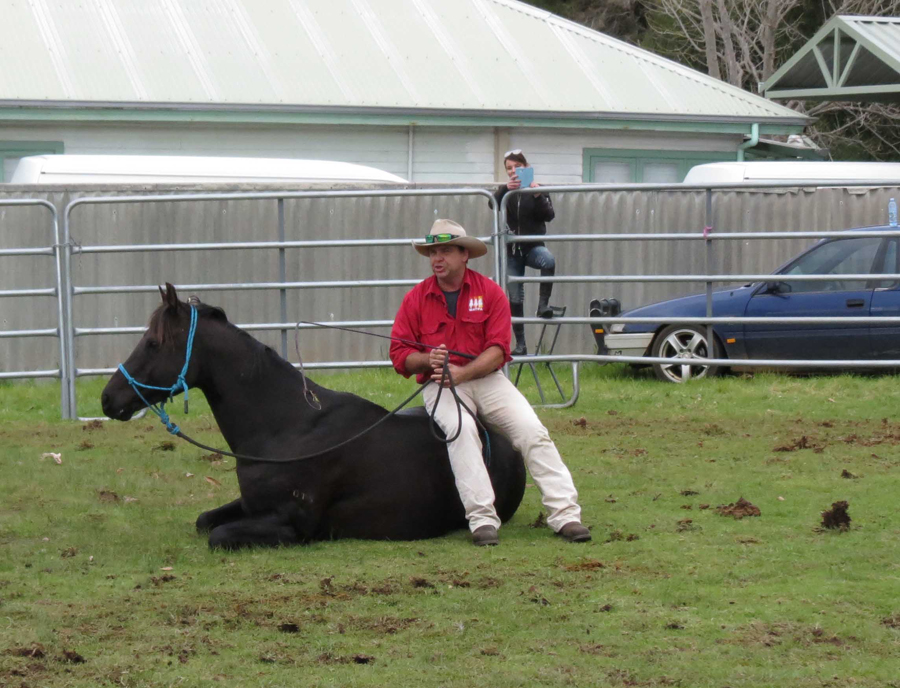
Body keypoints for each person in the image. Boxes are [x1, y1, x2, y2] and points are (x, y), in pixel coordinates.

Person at [389, 219, 590, 547]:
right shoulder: (415, 299)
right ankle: (482, 519)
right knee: (461, 430)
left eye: (446, 251)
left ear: (465, 254)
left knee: (533, 432)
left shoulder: (490, 292)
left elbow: (498, 350)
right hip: (439, 384)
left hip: (486, 379)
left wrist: (463, 374)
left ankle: (566, 514)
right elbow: (399, 353)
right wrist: (428, 361)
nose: (437, 258)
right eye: (433, 252)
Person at [493, 149, 557, 356]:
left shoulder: (537, 189)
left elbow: (549, 215)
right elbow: (490, 203)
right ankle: (521, 345)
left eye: (517, 167)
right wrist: (504, 190)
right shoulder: (507, 193)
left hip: (532, 247)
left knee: (548, 260)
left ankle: (543, 305)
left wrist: (537, 195)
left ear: (526, 167)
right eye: (509, 168)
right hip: (512, 250)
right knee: (515, 295)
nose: (513, 172)